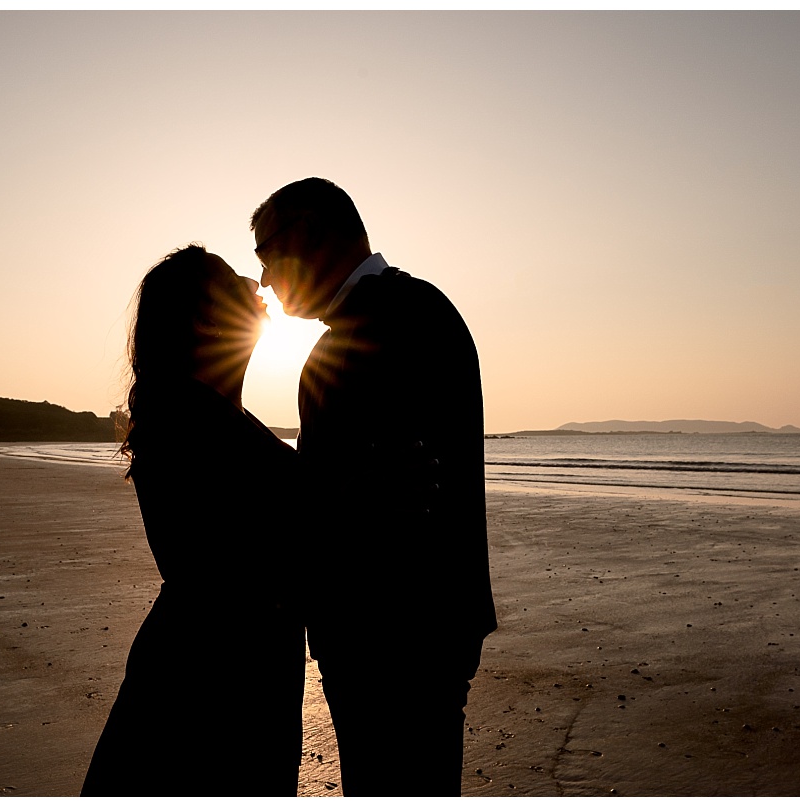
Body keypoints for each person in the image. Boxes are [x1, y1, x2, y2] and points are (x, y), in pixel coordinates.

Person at [250, 178, 498, 796]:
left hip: (397, 634)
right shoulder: (400, 314)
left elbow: (388, 494)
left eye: (265, 254)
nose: (261, 280)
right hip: (400, 627)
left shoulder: (396, 319)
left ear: (307, 232)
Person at [80, 244, 305, 797]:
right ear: (207, 320)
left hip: (222, 662)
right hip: (214, 680)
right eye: (235, 283)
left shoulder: (207, 414)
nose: (257, 286)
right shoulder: (191, 420)